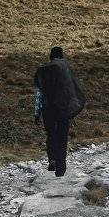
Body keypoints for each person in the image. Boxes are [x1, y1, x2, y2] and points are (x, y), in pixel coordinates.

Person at [33, 45, 85, 177]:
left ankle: (52, 159)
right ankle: (60, 168)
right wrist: (74, 109)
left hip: (47, 109)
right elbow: (74, 91)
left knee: (51, 134)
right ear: (62, 56)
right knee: (62, 137)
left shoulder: (44, 70)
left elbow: (39, 93)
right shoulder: (67, 70)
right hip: (63, 110)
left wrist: (36, 113)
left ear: (50, 55)